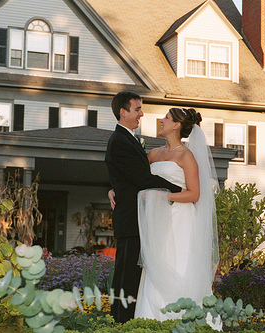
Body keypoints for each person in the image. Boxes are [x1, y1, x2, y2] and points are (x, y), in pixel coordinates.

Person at [108, 107, 220, 327]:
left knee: (176, 263)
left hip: (179, 219)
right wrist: (114, 190)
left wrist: (165, 197)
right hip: (157, 221)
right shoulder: (153, 154)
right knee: (154, 266)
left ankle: (184, 321)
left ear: (176, 125)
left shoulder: (186, 156)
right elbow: (135, 178)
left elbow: (194, 194)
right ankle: (151, 322)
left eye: (166, 118)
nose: (161, 120)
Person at [104, 92, 182, 323]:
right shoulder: (119, 141)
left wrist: (113, 187)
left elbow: (127, 176)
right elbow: (142, 178)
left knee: (130, 275)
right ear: (123, 112)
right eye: (137, 109)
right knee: (126, 276)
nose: (142, 113)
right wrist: (179, 189)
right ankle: (121, 323)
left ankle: (124, 321)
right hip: (131, 220)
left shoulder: (128, 139)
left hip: (138, 218)